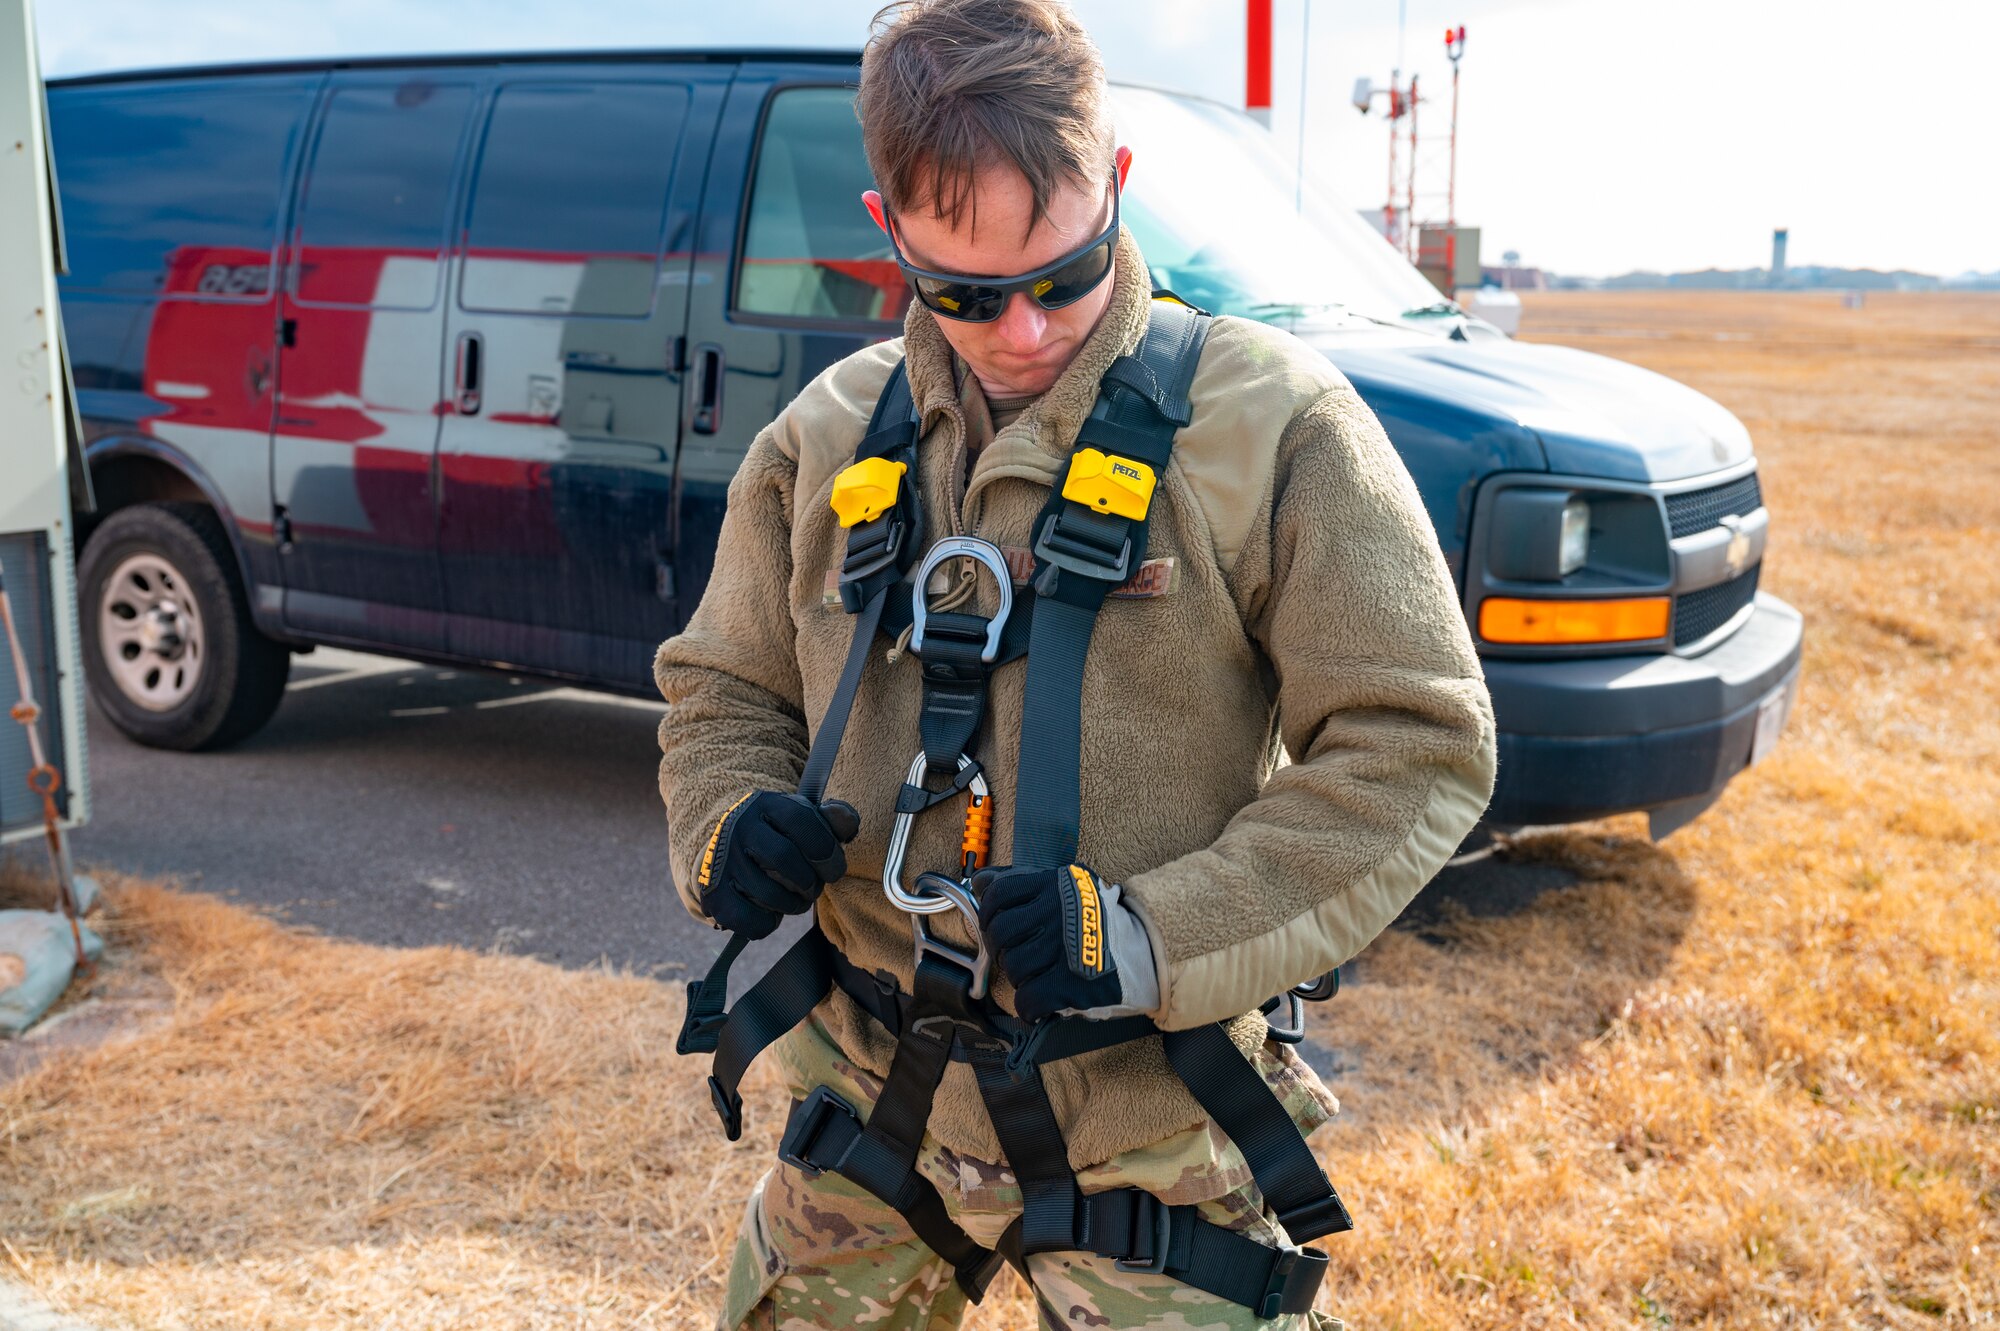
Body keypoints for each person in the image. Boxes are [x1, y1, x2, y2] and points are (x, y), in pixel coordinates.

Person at [654, 2, 1497, 1326]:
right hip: (874, 1094)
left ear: (1116, 187)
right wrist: (724, 823)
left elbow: (1415, 746)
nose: (1027, 331)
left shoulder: (1272, 426)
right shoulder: (820, 443)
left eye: (1065, 272)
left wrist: (1152, 935)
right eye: (966, 293)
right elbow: (726, 687)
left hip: (1146, 1116)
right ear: (888, 230)